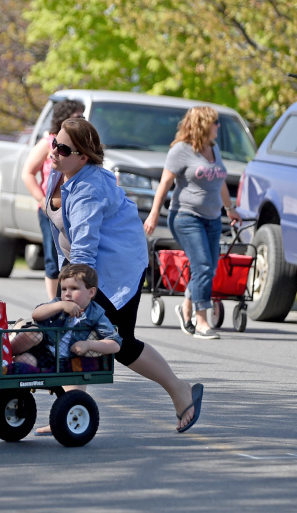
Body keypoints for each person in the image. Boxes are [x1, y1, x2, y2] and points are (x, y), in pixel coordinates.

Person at [44, 117, 204, 433]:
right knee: (79, 334)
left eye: (63, 148)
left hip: (115, 270)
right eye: (55, 143)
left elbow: (85, 246)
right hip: (88, 265)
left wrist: (75, 292)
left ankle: (179, 391)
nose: (55, 151)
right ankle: (70, 412)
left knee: (114, 341)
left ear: (83, 157)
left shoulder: (89, 189)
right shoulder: (62, 173)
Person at [143, 106, 241, 340]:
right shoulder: (180, 150)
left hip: (213, 218)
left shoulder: (214, 148)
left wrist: (230, 209)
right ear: (203, 124)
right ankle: (201, 322)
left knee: (210, 268)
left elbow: (220, 182)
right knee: (203, 266)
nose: (218, 126)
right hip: (186, 216)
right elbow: (165, 183)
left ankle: (186, 306)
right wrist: (154, 213)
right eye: (215, 122)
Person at [21, 100, 86, 300]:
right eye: (77, 116)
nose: (82, 119)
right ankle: (54, 303)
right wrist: (42, 200)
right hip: (51, 211)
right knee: (53, 258)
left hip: (74, 211)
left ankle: (71, 300)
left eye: (83, 116)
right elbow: (27, 173)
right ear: (63, 118)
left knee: (73, 258)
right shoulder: (48, 143)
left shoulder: (81, 145)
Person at [11, 264, 122, 371]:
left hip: (66, 360)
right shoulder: (58, 304)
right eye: (64, 289)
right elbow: (36, 314)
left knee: (23, 361)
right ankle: (5, 353)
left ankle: (22, 376)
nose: (67, 293)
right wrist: (60, 305)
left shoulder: (96, 313)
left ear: (91, 292)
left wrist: (88, 345)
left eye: (74, 288)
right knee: (33, 333)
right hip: (43, 350)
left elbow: (115, 344)